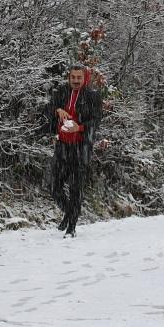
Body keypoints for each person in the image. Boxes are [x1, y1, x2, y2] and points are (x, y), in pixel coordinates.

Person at [42, 64, 102, 238]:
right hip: (62, 146)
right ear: (69, 78)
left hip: (80, 147)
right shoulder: (61, 91)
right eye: (73, 77)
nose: (75, 81)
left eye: (79, 78)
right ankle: (69, 213)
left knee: (76, 188)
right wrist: (57, 110)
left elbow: (96, 121)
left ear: (85, 79)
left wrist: (80, 127)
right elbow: (47, 109)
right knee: (54, 186)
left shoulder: (92, 96)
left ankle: (71, 227)